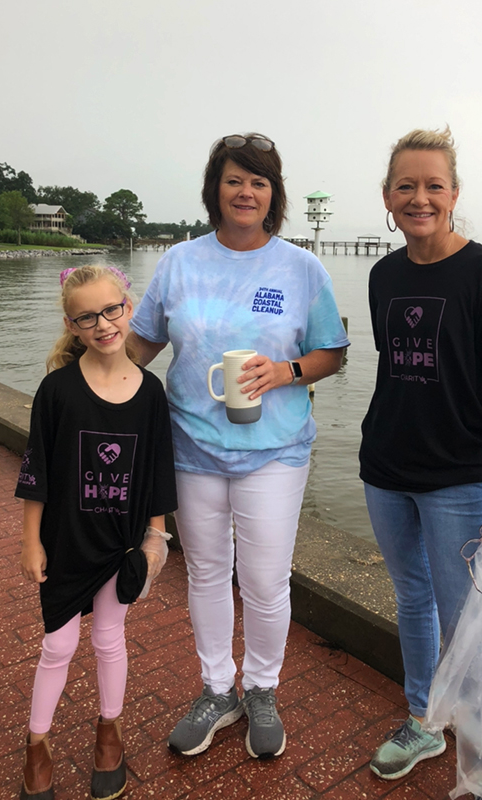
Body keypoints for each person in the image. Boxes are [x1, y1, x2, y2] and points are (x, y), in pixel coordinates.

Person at [129, 133, 350, 759]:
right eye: (234, 180)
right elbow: (143, 343)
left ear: (273, 193)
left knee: (264, 579)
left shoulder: (302, 267)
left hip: (275, 450)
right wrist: (91, 358)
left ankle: (261, 688)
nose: (245, 192)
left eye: (258, 181)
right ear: (214, 190)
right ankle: (216, 688)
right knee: (203, 572)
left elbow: (331, 352)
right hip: (191, 444)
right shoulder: (179, 262)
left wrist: (286, 372)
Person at [359, 127, 482, 784]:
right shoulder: (383, 275)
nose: (419, 197)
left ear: (453, 193)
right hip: (384, 469)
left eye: (433, 184)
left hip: (460, 477)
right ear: (387, 196)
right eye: (405, 185)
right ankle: (424, 722)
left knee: (469, 618)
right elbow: (398, 371)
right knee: (412, 599)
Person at [15, 265, 177, 800]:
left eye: (113, 310)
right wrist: (30, 539)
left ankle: (110, 732)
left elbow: (156, 469)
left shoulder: (152, 392)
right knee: (57, 644)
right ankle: (37, 745)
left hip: (120, 543)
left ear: (129, 308)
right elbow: (37, 467)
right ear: (73, 324)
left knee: (110, 638)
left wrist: (156, 537)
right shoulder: (57, 390)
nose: (104, 324)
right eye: (89, 317)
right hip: (67, 541)